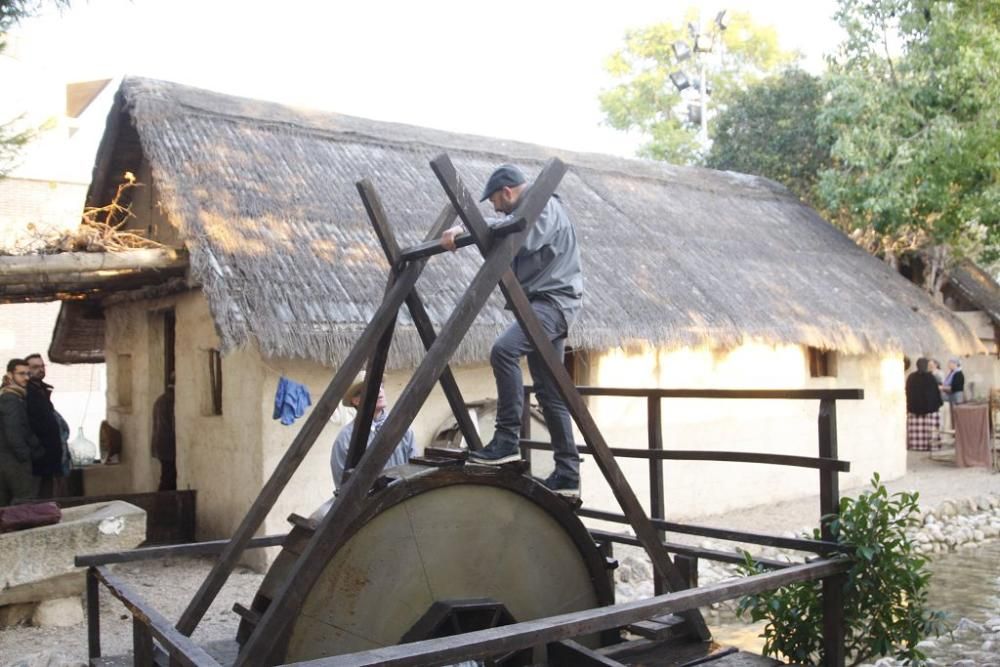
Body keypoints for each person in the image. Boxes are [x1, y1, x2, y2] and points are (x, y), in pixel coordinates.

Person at [440, 164, 583, 497]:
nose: (493, 207)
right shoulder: (530, 209)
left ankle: (506, 440)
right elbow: (511, 233)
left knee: (504, 350)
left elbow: (523, 235)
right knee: (549, 393)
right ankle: (567, 474)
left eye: (493, 201)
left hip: (553, 305)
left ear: (506, 192)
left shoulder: (544, 205)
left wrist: (469, 227)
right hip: (540, 304)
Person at [330, 378, 415, 490]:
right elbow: (342, 488)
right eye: (373, 387)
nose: (380, 390)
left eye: (381, 386)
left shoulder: (403, 428)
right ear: (356, 400)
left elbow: (415, 469)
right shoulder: (345, 440)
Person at [0, 359, 43, 505]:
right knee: (23, 504)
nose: (26, 378)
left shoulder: (15, 396)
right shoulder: (10, 398)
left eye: (28, 374)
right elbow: (13, 430)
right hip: (13, 461)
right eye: (21, 374)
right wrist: (25, 455)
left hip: (12, 459)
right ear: (10, 375)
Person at [24, 354, 67, 498]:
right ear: (27, 370)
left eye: (42, 366)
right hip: (37, 458)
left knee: (50, 497)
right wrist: (37, 449)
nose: (41, 369)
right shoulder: (25, 393)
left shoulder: (41, 390)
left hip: (51, 456)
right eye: (35, 367)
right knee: (37, 500)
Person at [905, 358, 944, 452]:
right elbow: (935, 393)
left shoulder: (911, 377)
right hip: (929, 409)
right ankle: (932, 445)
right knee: (930, 428)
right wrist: (938, 403)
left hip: (914, 409)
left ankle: (916, 445)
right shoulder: (930, 377)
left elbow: (908, 392)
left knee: (916, 430)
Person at [151, 374, 176, 491]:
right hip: (168, 446)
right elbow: (174, 425)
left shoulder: (161, 399)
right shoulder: (172, 400)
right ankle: (162, 506)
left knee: (167, 477)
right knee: (168, 480)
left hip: (161, 445)